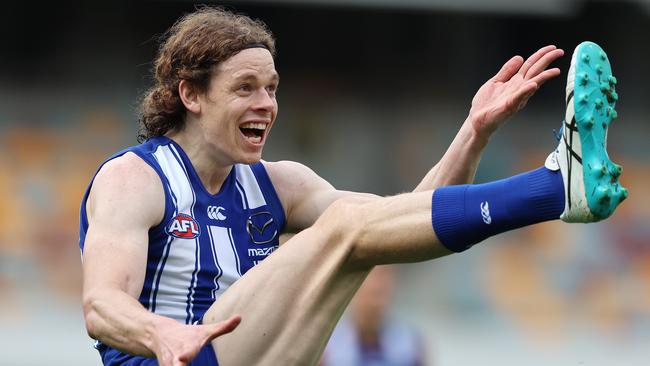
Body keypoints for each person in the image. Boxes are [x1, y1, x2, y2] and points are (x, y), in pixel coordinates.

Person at [79, 6, 625, 366]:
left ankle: (560, 186)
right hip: (174, 358)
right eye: (244, 88)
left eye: (271, 88)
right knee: (344, 230)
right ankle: (555, 188)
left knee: (359, 238)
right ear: (191, 96)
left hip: (248, 351)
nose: (266, 104)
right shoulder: (136, 177)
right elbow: (102, 305)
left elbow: (401, 222)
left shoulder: (279, 183)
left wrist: (473, 133)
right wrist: (164, 335)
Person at [322, 265, 426, 366]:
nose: (377, 285)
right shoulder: (326, 349)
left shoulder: (410, 347)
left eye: (384, 275)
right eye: (371, 276)